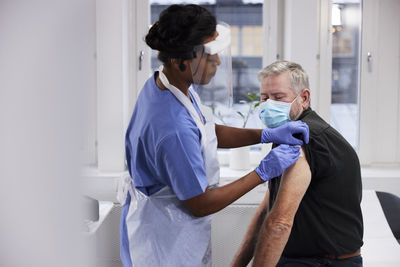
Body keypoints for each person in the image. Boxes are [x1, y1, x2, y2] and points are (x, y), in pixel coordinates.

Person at [119, 5, 310, 267]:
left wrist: (265, 134)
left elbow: (208, 131)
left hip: (170, 229)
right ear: (180, 60)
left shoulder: (170, 85)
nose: (218, 62)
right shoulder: (172, 127)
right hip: (164, 245)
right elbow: (201, 204)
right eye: (209, 55)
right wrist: (262, 172)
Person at [232, 60, 363, 267]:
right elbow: (267, 208)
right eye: (264, 97)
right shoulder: (288, 132)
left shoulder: (305, 137)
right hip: (303, 257)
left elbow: (279, 224)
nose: (268, 104)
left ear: (304, 98)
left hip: (322, 262)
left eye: (278, 97)